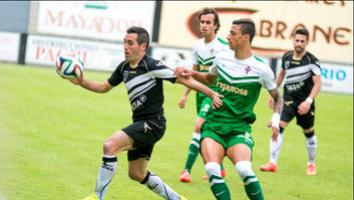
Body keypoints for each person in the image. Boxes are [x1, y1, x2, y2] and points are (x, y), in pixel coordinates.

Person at [69, 26, 223, 200]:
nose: (125, 47)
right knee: (136, 173)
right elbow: (103, 87)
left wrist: (211, 93)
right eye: (124, 43)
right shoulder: (124, 68)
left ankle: (97, 197)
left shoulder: (151, 65)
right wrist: (81, 82)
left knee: (109, 146)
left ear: (142, 47)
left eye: (130, 43)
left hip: (153, 124)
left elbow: (184, 80)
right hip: (141, 124)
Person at [176, 19, 283, 200]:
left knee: (244, 169)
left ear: (245, 37)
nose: (228, 37)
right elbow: (209, 78)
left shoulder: (262, 69)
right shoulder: (222, 58)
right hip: (214, 126)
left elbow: (278, 98)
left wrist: (275, 120)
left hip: (239, 129)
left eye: (233, 33)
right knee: (211, 168)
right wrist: (192, 73)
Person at [178, 7, 230, 183]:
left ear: (216, 26)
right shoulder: (197, 46)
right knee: (208, 131)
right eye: (202, 22)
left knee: (199, 126)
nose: (204, 25)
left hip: (215, 94)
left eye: (208, 22)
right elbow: (193, 72)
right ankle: (220, 169)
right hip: (200, 94)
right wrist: (185, 94)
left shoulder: (224, 48)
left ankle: (186, 170)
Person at [259, 28, 321, 176]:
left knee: (309, 133)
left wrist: (308, 101)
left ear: (307, 42)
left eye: (302, 41)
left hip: (305, 103)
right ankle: (272, 162)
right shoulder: (286, 57)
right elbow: (281, 75)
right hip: (288, 100)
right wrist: (273, 94)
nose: (299, 43)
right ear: (293, 39)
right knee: (278, 127)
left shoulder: (312, 61)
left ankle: (311, 163)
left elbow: (318, 84)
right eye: (297, 40)